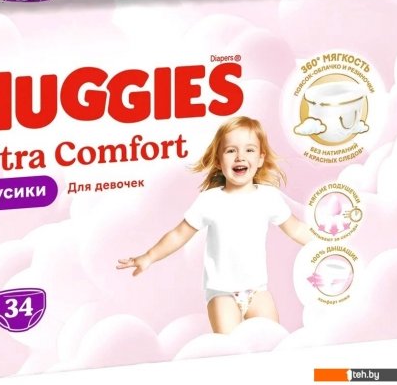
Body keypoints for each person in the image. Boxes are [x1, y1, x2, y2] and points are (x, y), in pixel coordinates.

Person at [116, 116, 311, 334]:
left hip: (257, 290)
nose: (240, 156)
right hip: (221, 292)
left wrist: (326, 243)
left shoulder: (269, 197)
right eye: (231, 151)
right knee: (230, 343)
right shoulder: (210, 200)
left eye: (249, 150)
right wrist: (149, 256)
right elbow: (179, 234)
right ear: (218, 160)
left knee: (271, 336)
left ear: (260, 158)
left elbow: (296, 228)